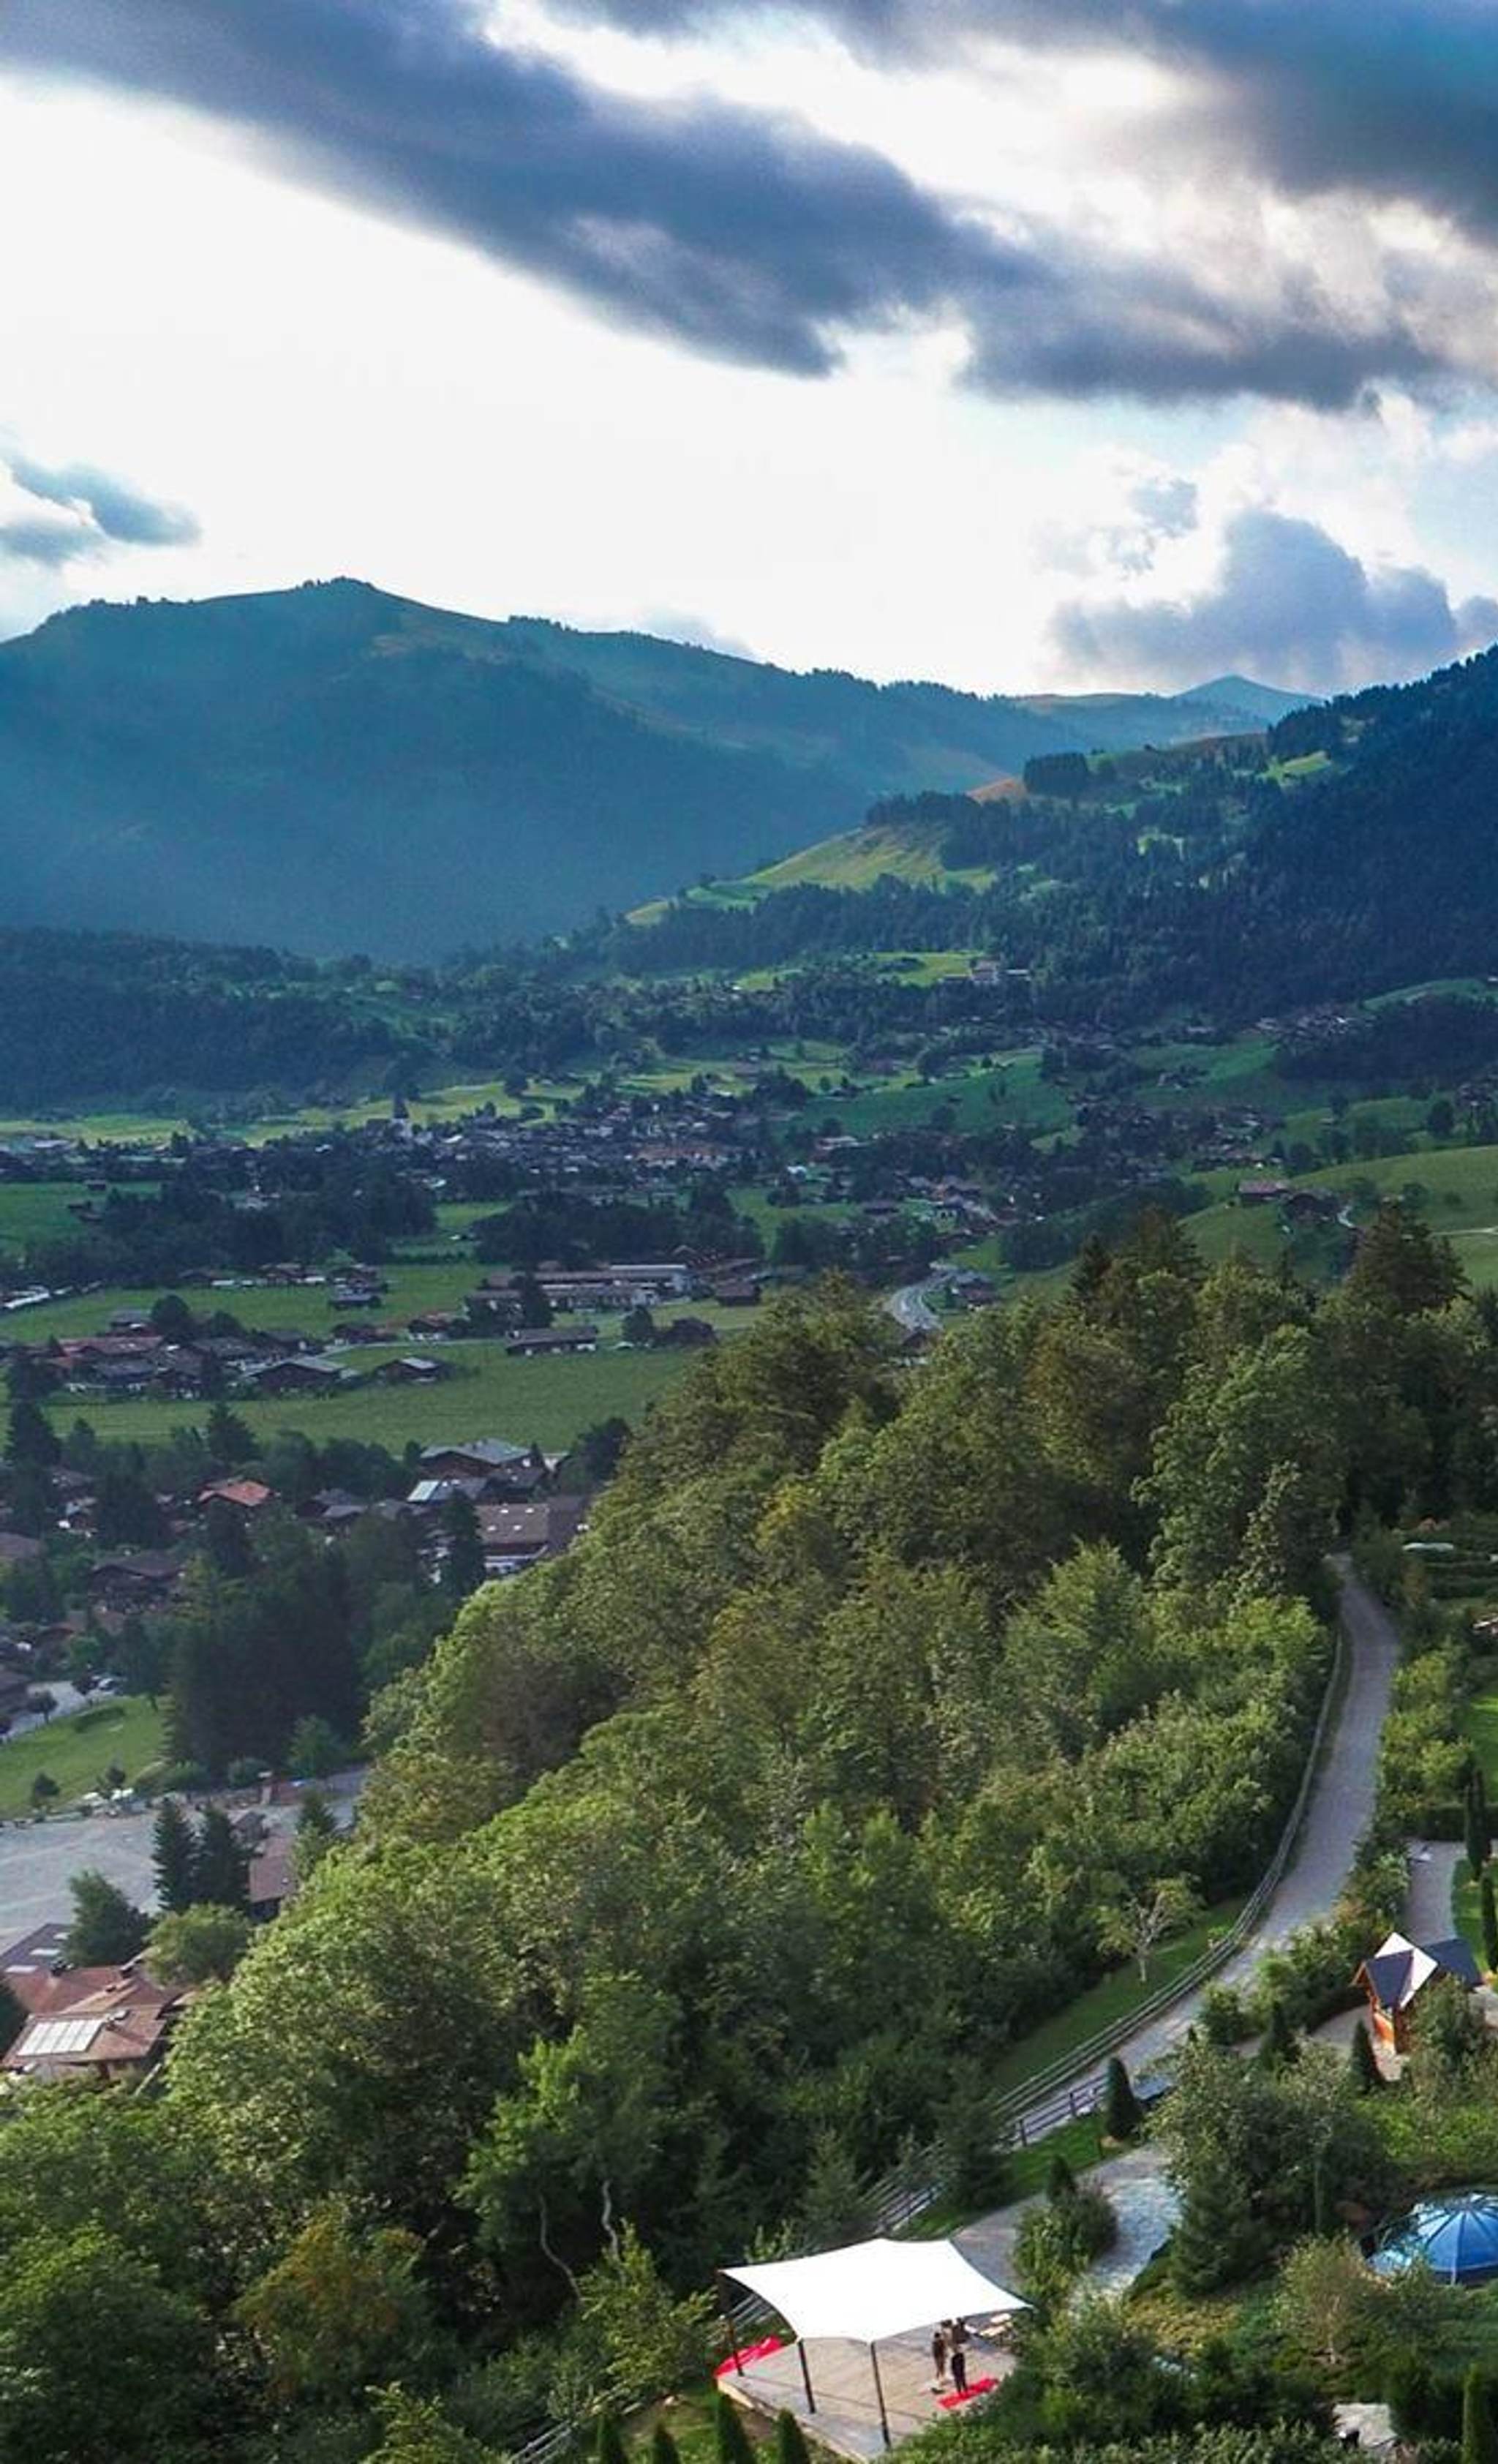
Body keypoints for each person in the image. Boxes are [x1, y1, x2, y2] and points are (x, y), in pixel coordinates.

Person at [947, 2319, 968, 2397]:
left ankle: (962, 2391)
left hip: (958, 2372)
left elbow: (954, 2365)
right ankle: (962, 2391)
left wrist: (954, 2371)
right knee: (961, 2381)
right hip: (959, 2371)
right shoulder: (958, 2356)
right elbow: (961, 2363)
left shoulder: (955, 2357)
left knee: (960, 2381)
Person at [930, 2324, 947, 2389]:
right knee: (940, 2369)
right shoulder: (937, 2342)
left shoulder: (937, 2342)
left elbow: (944, 2348)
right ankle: (938, 2381)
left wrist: (944, 2355)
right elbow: (943, 2349)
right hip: (939, 2357)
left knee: (941, 2368)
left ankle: (941, 2380)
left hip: (940, 2357)